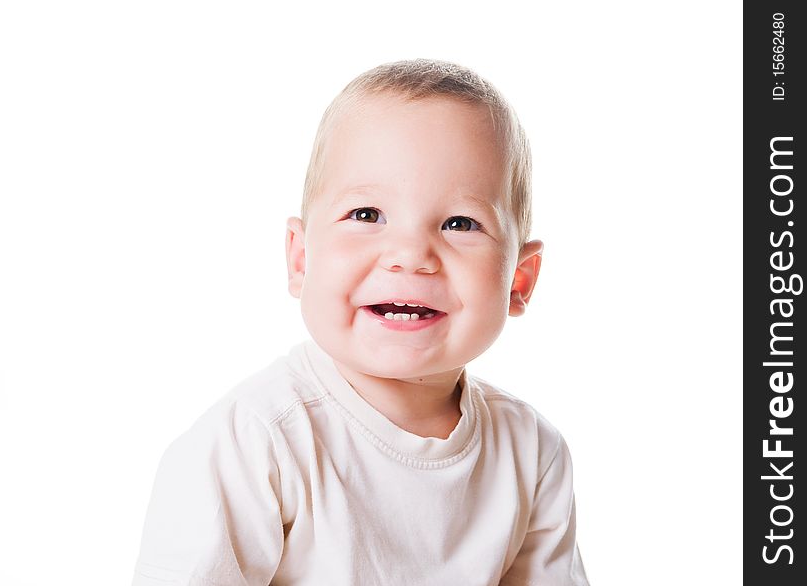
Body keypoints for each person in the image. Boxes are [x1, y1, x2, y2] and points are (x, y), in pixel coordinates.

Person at [132, 59, 590, 585]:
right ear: (301, 258)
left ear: (519, 280)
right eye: (367, 215)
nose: (410, 254)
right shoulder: (258, 441)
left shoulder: (532, 453)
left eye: (460, 223)